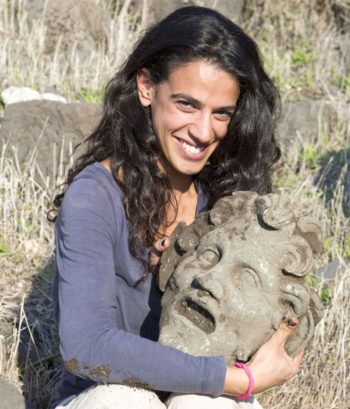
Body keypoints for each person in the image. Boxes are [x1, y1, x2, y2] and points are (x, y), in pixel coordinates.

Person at [49, 6, 303, 409]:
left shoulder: (227, 200)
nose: (205, 132)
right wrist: (235, 380)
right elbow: (87, 344)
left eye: (222, 113)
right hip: (103, 395)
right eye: (187, 103)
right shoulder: (94, 197)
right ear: (147, 87)